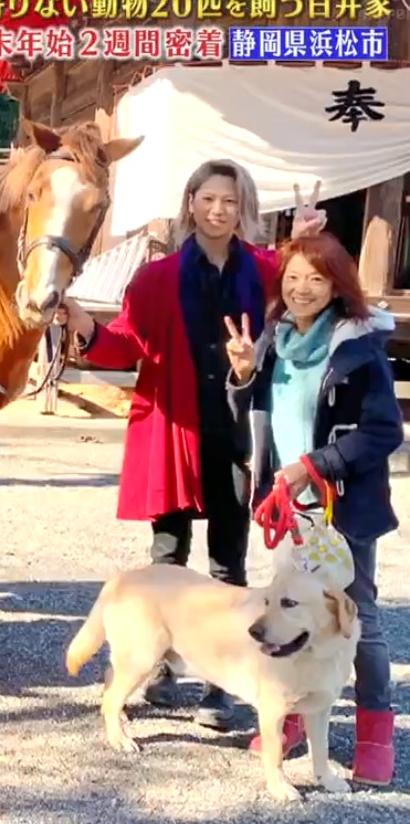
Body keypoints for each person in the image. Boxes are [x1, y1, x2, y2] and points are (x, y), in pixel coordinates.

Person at [58, 165, 325, 729]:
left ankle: (220, 680)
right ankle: (160, 666)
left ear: (243, 207)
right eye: (208, 199)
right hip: (173, 424)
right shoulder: (157, 278)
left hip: (237, 430)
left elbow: (314, 294)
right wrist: (83, 324)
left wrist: (307, 239)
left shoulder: (268, 271)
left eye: (230, 200)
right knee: (168, 554)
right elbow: (126, 344)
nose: (218, 210)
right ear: (191, 203)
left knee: (229, 559)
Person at [224, 230, 400, 785]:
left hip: (340, 507)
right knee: (290, 609)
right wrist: (245, 374)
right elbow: (250, 415)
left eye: (316, 279)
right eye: (292, 278)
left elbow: (383, 431)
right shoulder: (272, 341)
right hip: (288, 507)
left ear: (337, 286)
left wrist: (316, 464)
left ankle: (375, 729)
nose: (302, 289)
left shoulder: (358, 349)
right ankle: (296, 711)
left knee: (357, 616)